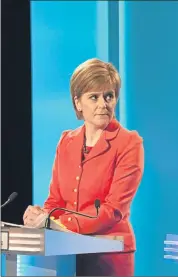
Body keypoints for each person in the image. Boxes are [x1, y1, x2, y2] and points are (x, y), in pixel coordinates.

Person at [22, 58, 144, 276]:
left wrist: (55, 223)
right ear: (78, 103)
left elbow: (113, 211)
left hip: (109, 257)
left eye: (109, 96)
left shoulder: (129, 143)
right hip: (64, 255)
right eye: (94, 97)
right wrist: (40, 216)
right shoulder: (66, 141)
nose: (103, 104)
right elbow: (55, 201)